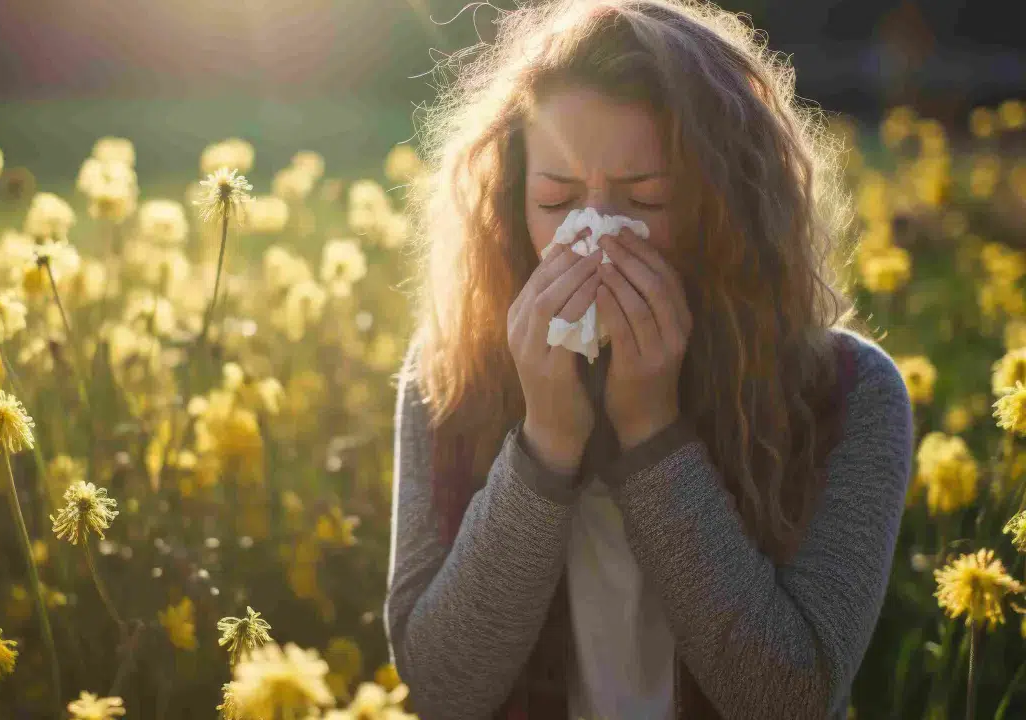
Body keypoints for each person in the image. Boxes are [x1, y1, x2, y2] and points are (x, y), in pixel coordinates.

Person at [383, 1, 914, 718]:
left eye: (645, 199)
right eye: (557, 200)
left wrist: (653, 432)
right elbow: (443, 690)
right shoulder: (448, 376)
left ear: (727, 207)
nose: (595, 236)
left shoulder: (848, 395)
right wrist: (546, 443)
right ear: (512, 206)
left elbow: (791, 699)